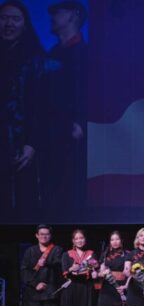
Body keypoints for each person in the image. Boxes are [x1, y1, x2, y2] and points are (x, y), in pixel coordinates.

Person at [0, 1, 49, 215]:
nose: (8, 24)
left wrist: (32, 142)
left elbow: (41, 106)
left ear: (24, 24)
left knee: (21, 201)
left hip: (20, 142)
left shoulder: (34, 60)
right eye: (4, 18)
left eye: (15, 19)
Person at [41, 1, 87, 213]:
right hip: (50, 132)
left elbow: (86, 91)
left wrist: (79, 122)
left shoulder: (84, 53)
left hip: (71, 134)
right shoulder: (52, 53)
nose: (53, 17)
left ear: (73, 15)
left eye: (58, 12)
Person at [19, 224, 63, 306]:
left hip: (49, 292)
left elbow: (59, 266)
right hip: (32, 292)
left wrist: (46, 263)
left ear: (51, 235)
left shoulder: (57, 250)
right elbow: (24, 270)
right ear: (37, 236)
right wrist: (35, 284)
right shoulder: (30, 251)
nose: (44, 236)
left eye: (47, 234)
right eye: (41, 234)